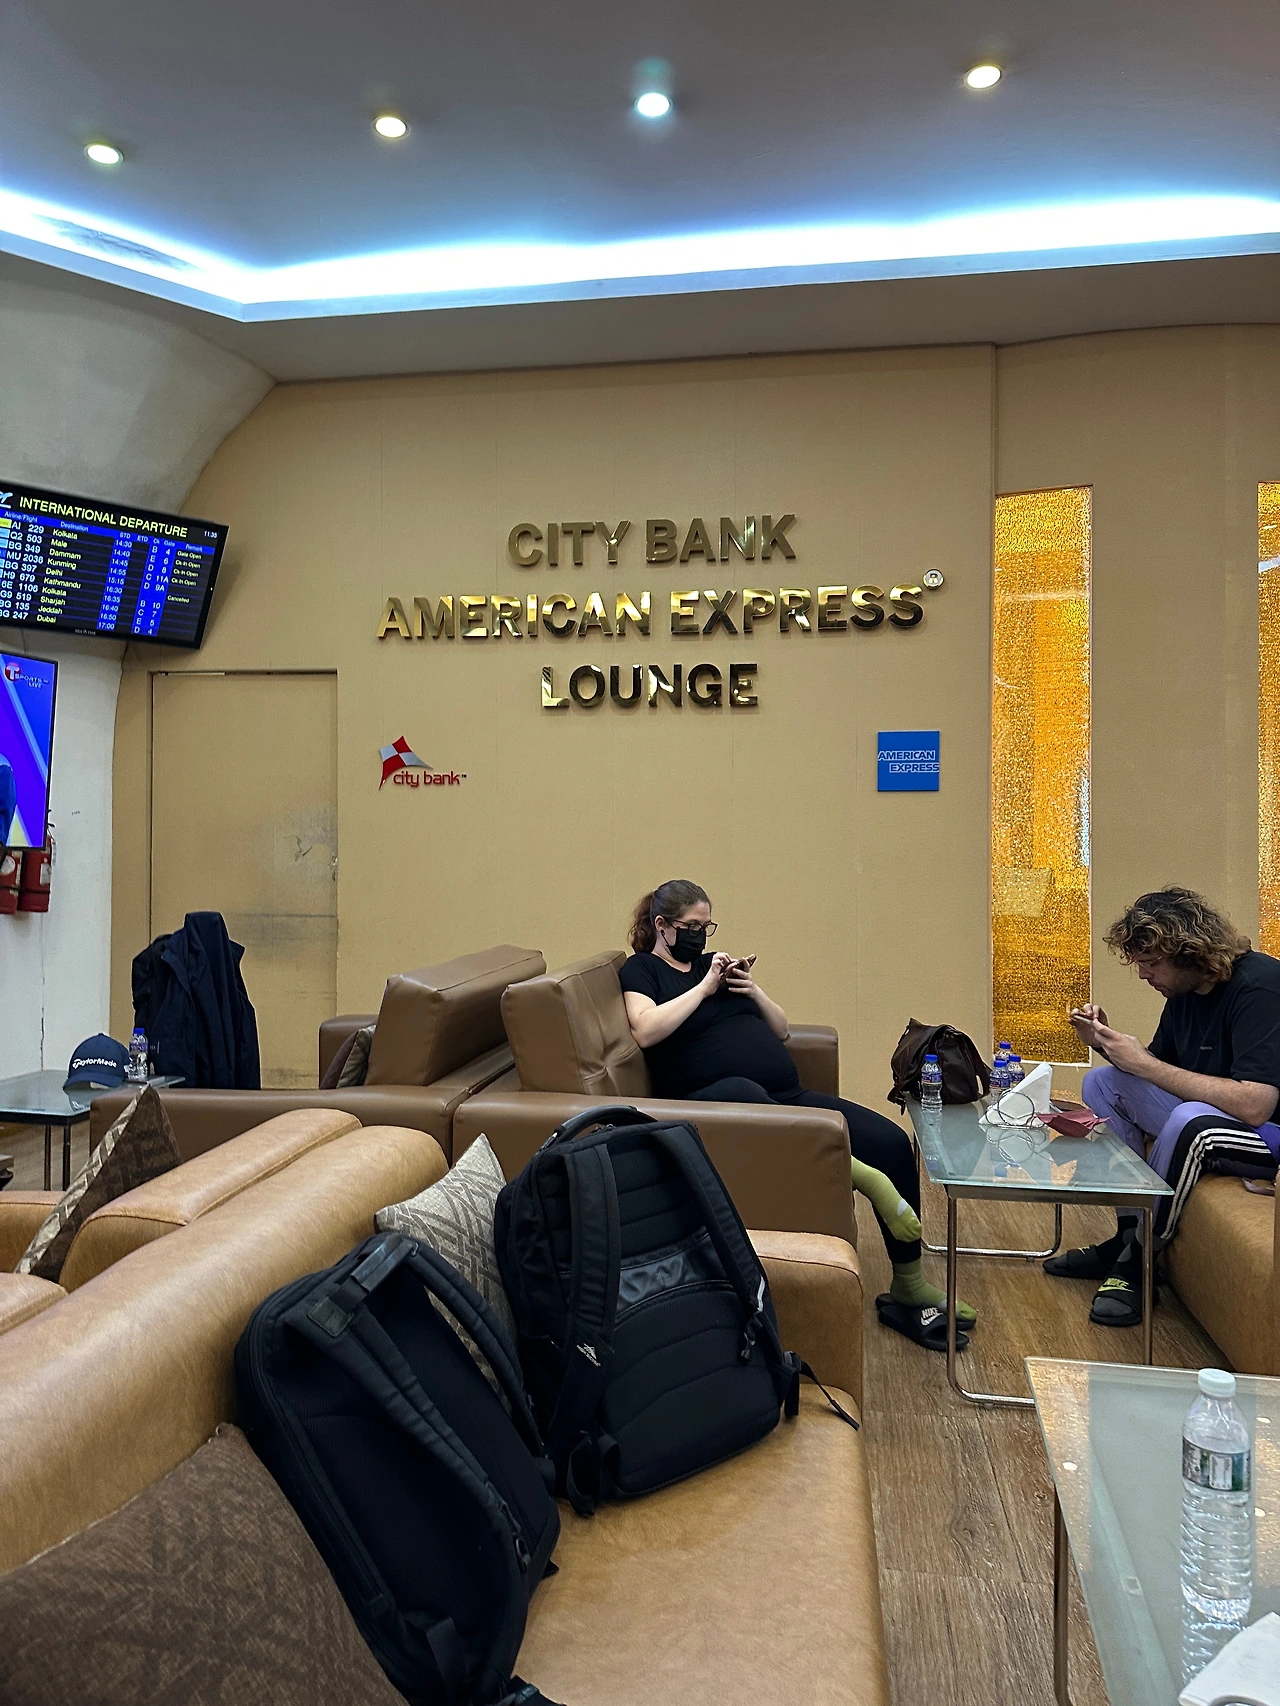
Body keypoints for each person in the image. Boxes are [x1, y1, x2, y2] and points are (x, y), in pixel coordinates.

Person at [619, 878, 978, 1352]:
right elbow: (645, 1030)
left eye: (707, 926)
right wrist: (704, 989)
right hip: (711, 1101)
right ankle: (860, 1175)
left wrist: (751, 990)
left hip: (786, 1094)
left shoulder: (716, 968)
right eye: (691, 927)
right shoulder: (642, 970)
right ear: (662, 926)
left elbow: (782, 1029)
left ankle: (909, 1283)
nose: (700, 936)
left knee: (892, 1141)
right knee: (744, 1089)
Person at [1047, 887, 1280, 1326]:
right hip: (1214, 1119)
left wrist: (1146, 1065)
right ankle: (1126, 1236)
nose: (1143, 975)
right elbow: (1157, 1073)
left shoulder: (1261, 986)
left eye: (1151, 963)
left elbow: (1256, 1104)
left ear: (1190, 952)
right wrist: (1105, 1044)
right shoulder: (1183, 994)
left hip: (1268, 1135)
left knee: (1190, 1119)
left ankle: (1139, 1259)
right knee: (1102, 1083)